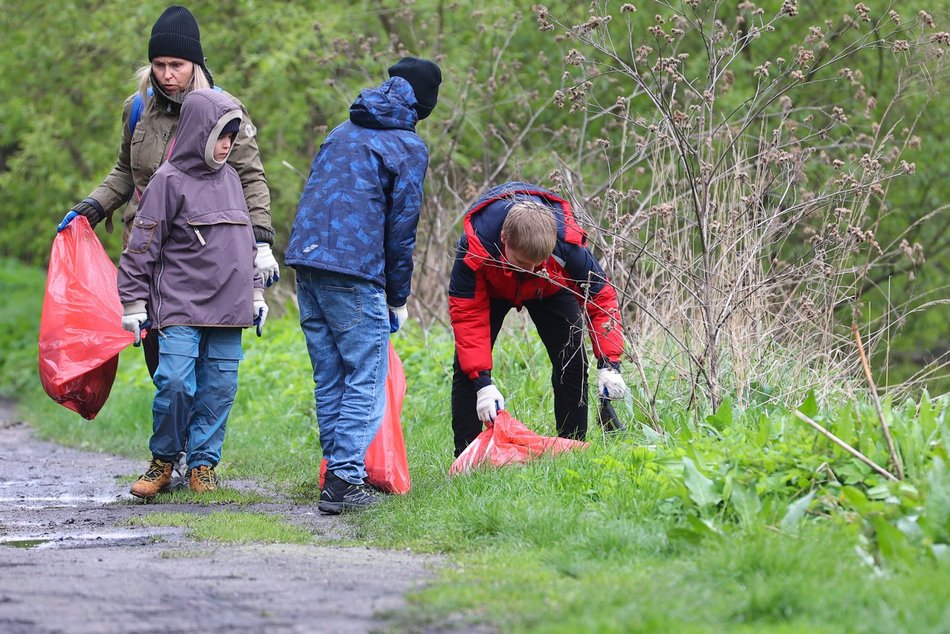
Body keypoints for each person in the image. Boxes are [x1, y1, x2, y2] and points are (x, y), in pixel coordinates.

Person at [68, 4, 277, 380]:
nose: (166, 75)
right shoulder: (137, 108)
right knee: (162, 363)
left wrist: (260, 242)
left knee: (200, 363)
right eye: (159, 65)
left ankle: (194, 437)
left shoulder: (225, 111)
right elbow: (125, 171)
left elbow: (251, 178)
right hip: (147, 247)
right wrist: (91, 209)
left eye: (176, 65)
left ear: (195, 64)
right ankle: (177, 434)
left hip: (205, 253)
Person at [285, 56, 442, 514]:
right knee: (367, 378)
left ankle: (334, 475)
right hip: (355, 274)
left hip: (307, 266)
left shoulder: (340, 131)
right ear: (424, 102)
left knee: (330, 375)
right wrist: (398, 296)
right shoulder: (408, 147)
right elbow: (401, 229)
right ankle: (345, 479)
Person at [117, 89, 266, 499]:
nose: (226, 145)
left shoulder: (233, 179)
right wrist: (132, 303)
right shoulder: (167, 181)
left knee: (220, 388)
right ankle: (164, 460)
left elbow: (245, 246)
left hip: (230, 307)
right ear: (200, 130)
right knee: (176, 383)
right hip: (179, 304)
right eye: (221, 134)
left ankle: (203, 465)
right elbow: (141, 246)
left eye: (232, 137)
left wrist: (256, 293)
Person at [448, 182, 629, 457]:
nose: (531, 270)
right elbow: (467, 316)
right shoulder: (476, 248)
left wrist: (610, 363)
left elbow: (601, 299)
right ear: (505, 240)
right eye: (523, 262)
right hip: (494, 288)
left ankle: (572, 448)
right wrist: (481, 383)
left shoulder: (567, 247)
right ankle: (467, 456)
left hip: (550, 288)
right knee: (466, 370)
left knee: (572, 360)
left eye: (537, 263)